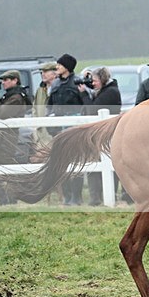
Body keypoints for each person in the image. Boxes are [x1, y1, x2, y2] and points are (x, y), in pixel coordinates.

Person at [0, 70, 32, 205]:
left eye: (6, 80)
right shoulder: (9, 96)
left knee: (9, 170)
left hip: (5, 139)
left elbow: (1, 113)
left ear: (15, 80)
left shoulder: (17, 98)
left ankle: (12, 199)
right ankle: (3, 199)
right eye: (3, 80)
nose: (3, 82)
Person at [80, 66, 122, 205]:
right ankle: (96, 197)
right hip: (102, 134)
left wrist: (84, 94)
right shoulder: (107, 90)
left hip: (106, 134)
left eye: (95, 80)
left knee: (105, 165)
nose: (93, 83)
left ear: (103, 80)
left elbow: (93, 109)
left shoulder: (110, 92)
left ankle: (102, 197)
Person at [47, 53, 84, 205]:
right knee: (62, 163)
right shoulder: (55, 85)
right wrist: (51, 125)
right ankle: (67, 196)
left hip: (73, 128)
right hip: (59, 128)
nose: (57, 67)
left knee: (76, 162)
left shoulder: (77, 83)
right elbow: (50, 106)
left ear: (67, 67)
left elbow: (83, 105)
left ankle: (77, 196)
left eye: (60, 65)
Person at [32, 61, 58, 150]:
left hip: (54, 132)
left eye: (46, 71)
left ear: (55, 73)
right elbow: (34, 109)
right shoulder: (40, 90)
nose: (43, 74)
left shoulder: (59, 89)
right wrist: (36, 129)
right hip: (41, 134)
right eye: (42, 72)